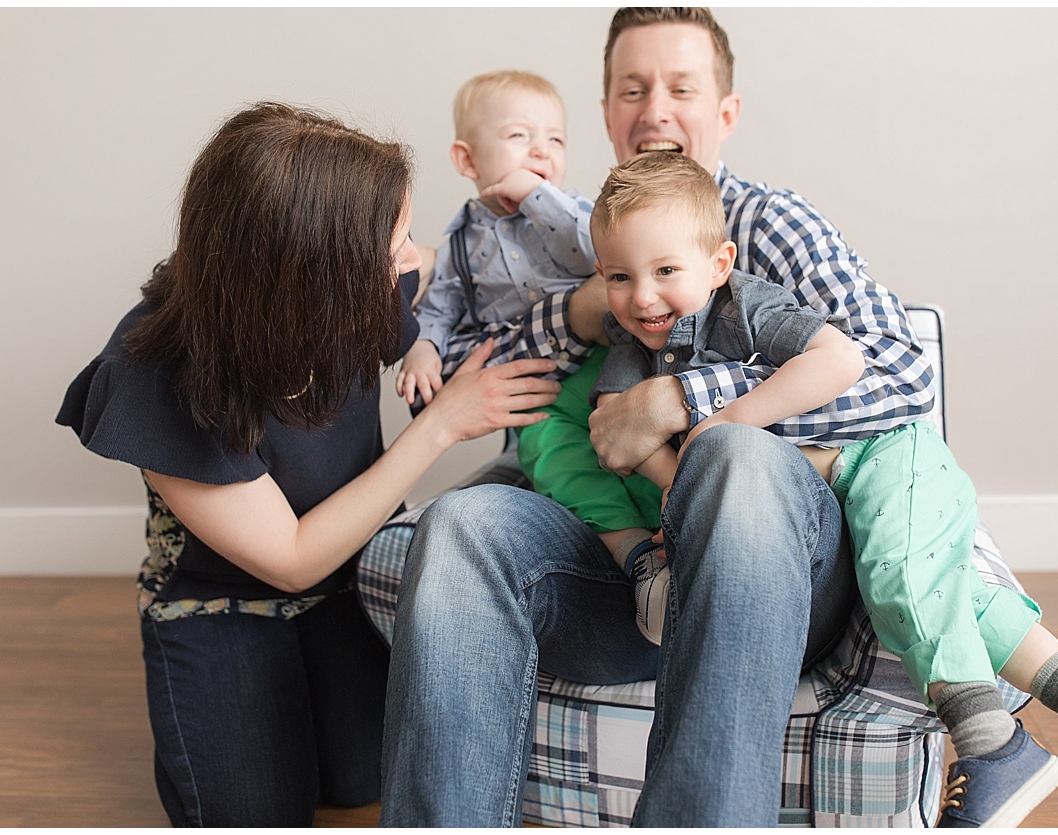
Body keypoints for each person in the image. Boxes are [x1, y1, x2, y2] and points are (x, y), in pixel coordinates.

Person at [381, 8, 947, 826]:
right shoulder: (580, 241)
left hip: (777, 576)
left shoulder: (767, 224)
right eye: (631, 90)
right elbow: (506, 353)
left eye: (681, 88)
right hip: (630, 572)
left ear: (725, 114)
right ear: (607, 113)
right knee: (463, 523)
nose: (654, 110)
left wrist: (685, 402)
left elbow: (904, 372)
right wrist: (582, 303)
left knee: (734, 458)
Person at [556, 150, 1058, 828]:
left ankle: (991, 742)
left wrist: (722, 425)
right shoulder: (631, 342)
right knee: (944, 592)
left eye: (665, 272)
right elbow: (616, 433)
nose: (642, 296)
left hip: (882, 455)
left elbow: (843, 357)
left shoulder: (747, 307)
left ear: (718, 263)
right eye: (619, 276)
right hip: (835, 501)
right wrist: (685, 490)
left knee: (900, 577)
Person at [55, 102, 561, 827]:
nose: (409, 258)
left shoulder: (363, 284)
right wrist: (442, 427)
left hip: (349, 579)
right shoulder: (156, 372)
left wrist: (517, 208)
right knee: (255, 811)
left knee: (361, 781)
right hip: (219, 600)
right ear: (312, 267)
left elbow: (450, 296)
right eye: (396, 241)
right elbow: (288, 559)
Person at [396, 70, 596, 405]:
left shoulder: (572, 210)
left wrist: (537, 195)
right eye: (519, 135)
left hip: (599, 360)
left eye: (555, 140)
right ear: (468, 159)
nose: (542, 151)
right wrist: (422, 348)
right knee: (550, 452)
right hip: (533, 389)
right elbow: (439, 308)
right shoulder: (461, 244)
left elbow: (591, 255)